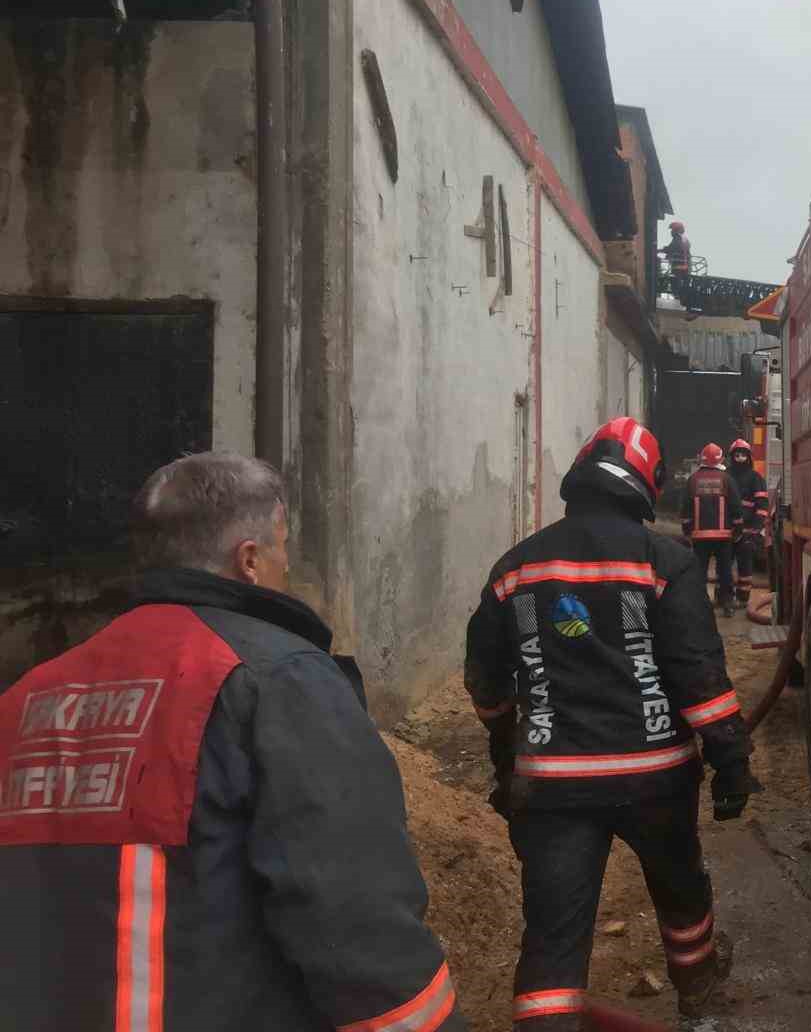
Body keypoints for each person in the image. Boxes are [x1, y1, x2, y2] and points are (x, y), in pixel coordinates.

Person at [0, 452, 462, 1032]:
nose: (286, 564)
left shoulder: (28, 696)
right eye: (283, 546)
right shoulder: (276, 680)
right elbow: (350, 913)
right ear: (249, 560)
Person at [464, 417, 761, 1027]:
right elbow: (698, 676)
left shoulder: (515, 568)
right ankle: (698, 991)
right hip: (655, 780)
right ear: (646, 485)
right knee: (680, 892)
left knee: (552, 932)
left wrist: (505, 755)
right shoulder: (664, 561)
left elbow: (487, 684)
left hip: (552, 786)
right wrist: (731, 763)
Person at [681, 442, 743, 617]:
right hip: (724, 537)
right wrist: (738, 530)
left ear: (701, 458)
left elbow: (686, 509)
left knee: (699, 572)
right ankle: (728, 604)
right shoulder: (727, 479)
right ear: (721, 459)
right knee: (725, 572)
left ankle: (698, 605)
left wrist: (687, 531)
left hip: (700, 537)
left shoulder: (693, 480)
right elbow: (736, 507)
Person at [726, 438, 769, 607]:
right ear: (732, 456)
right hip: (727, 530)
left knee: (745, 567)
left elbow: (762, 505)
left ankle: (743, 599)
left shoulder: (755, 478)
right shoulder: (726, 476)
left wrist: (757, 529)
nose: (740, 457)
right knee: (725, 566)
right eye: (737, 454)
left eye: (743, 454)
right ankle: (726, 596)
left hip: (748, 531)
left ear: (749, 456)